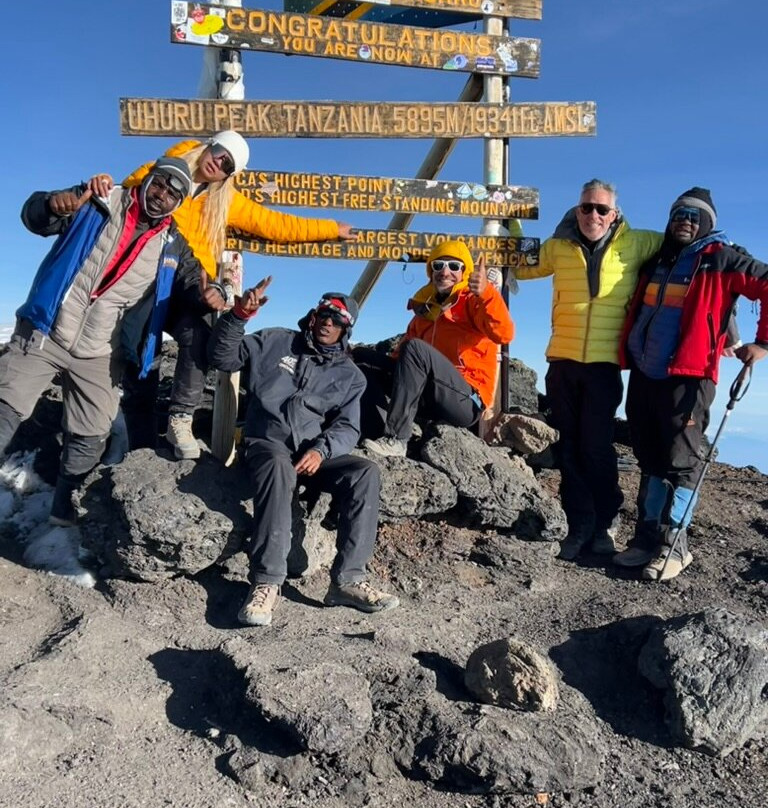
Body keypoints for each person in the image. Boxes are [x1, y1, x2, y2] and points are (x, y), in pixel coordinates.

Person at [91, 131, 355, 459]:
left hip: (190, 280)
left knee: (199, 334)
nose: (219, 162)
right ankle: (141, 450)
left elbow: (276, 224)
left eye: (228, 164)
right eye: (219, 153)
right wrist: (101, 183)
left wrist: (330, 228)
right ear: (209, 146)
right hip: (144, 274)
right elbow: (124, 196)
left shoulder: (225, 199)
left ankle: (180, 419)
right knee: (141, 355)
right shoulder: (164, 170)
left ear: (231, 173)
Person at [0, 157, 208, 524]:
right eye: (159, 184)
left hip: (99, 350)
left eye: (174, 194)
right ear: (147, 180)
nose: (162, 195)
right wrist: (51, 204)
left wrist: (218, 292)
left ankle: (62, 506)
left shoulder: (172, 246)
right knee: (5, 403)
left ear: (179, 204)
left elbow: (194, 283)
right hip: (47, 328)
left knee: (91, 433)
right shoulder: (99, 199)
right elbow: (33, 216)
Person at [207, 283, 399, 626]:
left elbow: (348, 428)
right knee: (279, 468)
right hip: (268, 443)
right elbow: (222, 357)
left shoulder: (351, 376)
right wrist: (238, 317)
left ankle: (348, 581)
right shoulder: (275, 340)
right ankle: (267, 582)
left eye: (337, 321)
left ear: (346, 330)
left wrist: (321, 450)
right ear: (313, 315)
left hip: (312, 452)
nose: (328, 324)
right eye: (324, 315)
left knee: (364, 472)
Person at [614, 187, 768, 580]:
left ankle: (675, 546)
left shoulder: (723, 259)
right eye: (679, 213)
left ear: (708, 224)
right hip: (646, 374)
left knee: (680, 462)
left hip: (691, 377)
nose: (685, 219)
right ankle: (646, 539)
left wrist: (763, 342)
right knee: (649, 458)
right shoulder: (657, 261)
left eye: (694, 215)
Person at [515, 180, 662, 560]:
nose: (592, 215)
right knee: (569, 446)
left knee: (596, 447)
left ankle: (605, 523)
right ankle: (578, 524)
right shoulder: (559, 246)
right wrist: (510, 222)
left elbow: (687, 247)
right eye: (586, 207)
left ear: (614, 214)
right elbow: (521, 263)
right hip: (562, 361)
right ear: (576, 209)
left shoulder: (639, 243)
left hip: (603, 365)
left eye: (601, 209)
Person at [361, 239, 514, 458]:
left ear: (465, 272)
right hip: (428, 395)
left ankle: (396, 440)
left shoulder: (474, 301)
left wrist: (487, 293)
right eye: (438, 265)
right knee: (360, 357)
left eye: (454, 266)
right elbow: (401, 361)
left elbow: (504, 333)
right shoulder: (425, 309)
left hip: (466, 401)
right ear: (431, 271)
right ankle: (367, 426)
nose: (445, 271)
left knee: (415, 349)